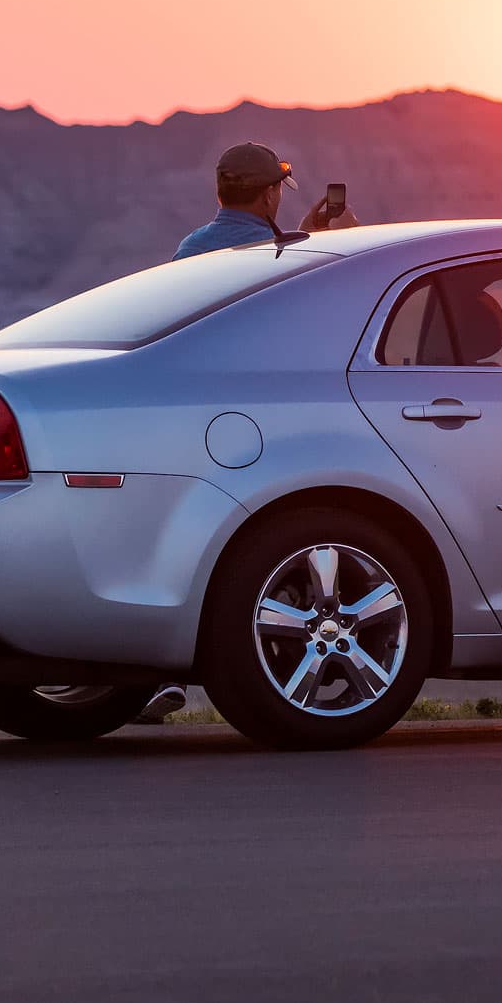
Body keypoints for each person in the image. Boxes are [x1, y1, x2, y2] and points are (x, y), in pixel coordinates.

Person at [142, 141, 357, 723]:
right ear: (268, 195)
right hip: (261, 422)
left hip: (189, 418)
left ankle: (154, 676)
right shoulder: (279, 255)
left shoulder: (189, 251)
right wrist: (330, 246)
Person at [173, 141, 357, 260]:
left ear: (219, 194)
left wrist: (302, 235)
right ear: (269, 195)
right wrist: (350, 241)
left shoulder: (191, 248)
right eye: (279, 190)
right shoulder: (284, 254)